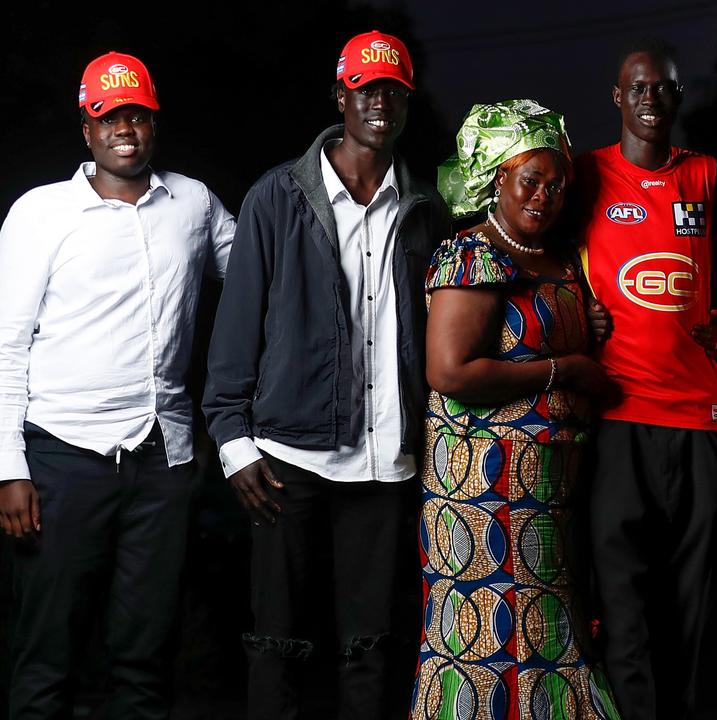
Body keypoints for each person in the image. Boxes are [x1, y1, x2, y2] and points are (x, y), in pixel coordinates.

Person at [201, 30, 449, 719]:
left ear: (406, 101)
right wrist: (232, 439)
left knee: (369, 648)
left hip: (384, 462)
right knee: (276, 645)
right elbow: (237, 327)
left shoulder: (424, 208)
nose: (379, 100)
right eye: (365, 87)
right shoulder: (278, 197)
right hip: (287, 460)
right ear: (340, 95)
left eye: (392, 89)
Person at [0, 52, 235, 719]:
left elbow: (253, 269)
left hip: (163, 463)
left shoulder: (191, 202)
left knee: (146, 659)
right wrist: (7, 467)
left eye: (137, 114)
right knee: (47, 656)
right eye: (110, 116)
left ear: (153, 122)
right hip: (60, 461)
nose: (125, 128)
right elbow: (6, 346)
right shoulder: (39, 214)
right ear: (87, 128)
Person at [411, 99, 621, 720]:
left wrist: (591, 323)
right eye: (530, 180)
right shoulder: (472, 254)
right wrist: (568, 370)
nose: (544, 196)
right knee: (487, 647)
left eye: (556, 185)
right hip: (481, 494)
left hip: (548, 490)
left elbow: (550, 326)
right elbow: (449, 371)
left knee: (549, 638)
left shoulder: (558, 257)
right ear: (497, 176)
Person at [573, 41, 717, 720]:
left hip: (699, 418)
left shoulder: (711, 176)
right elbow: (543, 251)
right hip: (618, 416)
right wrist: (577, 311)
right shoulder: (583, 176)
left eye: (662, 88)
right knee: (624, 600)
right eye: (637, 88)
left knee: (688, 603)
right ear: (617, 97)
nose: (649, 100)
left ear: (676, 97)